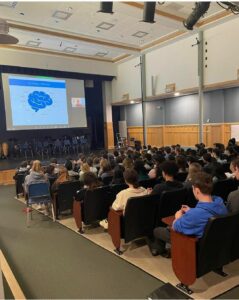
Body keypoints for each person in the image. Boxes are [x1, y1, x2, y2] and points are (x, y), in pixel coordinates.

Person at [150, 172, 227, 256]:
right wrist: (191, 211)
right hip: (216, 243)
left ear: (197, 190)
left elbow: (176, 227)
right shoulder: (219, 201)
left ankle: (161, 250)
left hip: (195, 245)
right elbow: (203, 213)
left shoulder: (196, 214)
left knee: (158, 230)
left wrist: (178, 217)